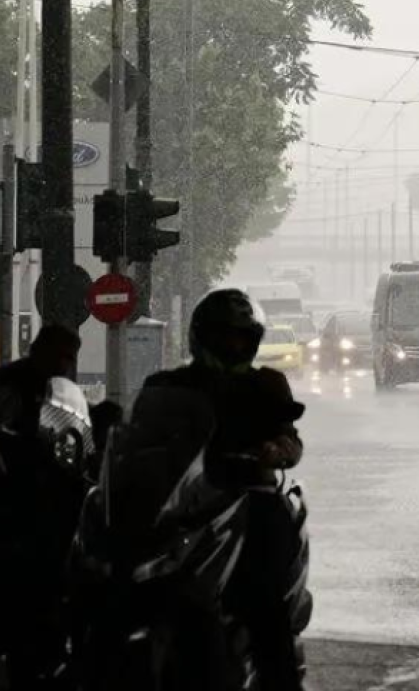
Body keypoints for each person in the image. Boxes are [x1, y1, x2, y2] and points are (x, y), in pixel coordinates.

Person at [133, 289, 307, 691]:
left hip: (245, 500)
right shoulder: (169, 383)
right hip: (181, 503)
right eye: (224, 336)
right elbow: (138, 433)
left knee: (266, 608)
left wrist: (273, 450)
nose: (233, 345)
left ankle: (279, 679)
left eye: (241, 338)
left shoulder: (266, 385)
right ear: (202, 336)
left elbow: (290, 440)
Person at [0, 325, 83, 690]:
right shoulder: (7, 385)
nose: (65, 363)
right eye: (60, 355)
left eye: (70, 356)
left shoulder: (64, 392)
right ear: (40, 350)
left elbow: (79, 436)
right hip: (9, 495)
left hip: (54, 495)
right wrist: (2, 482)